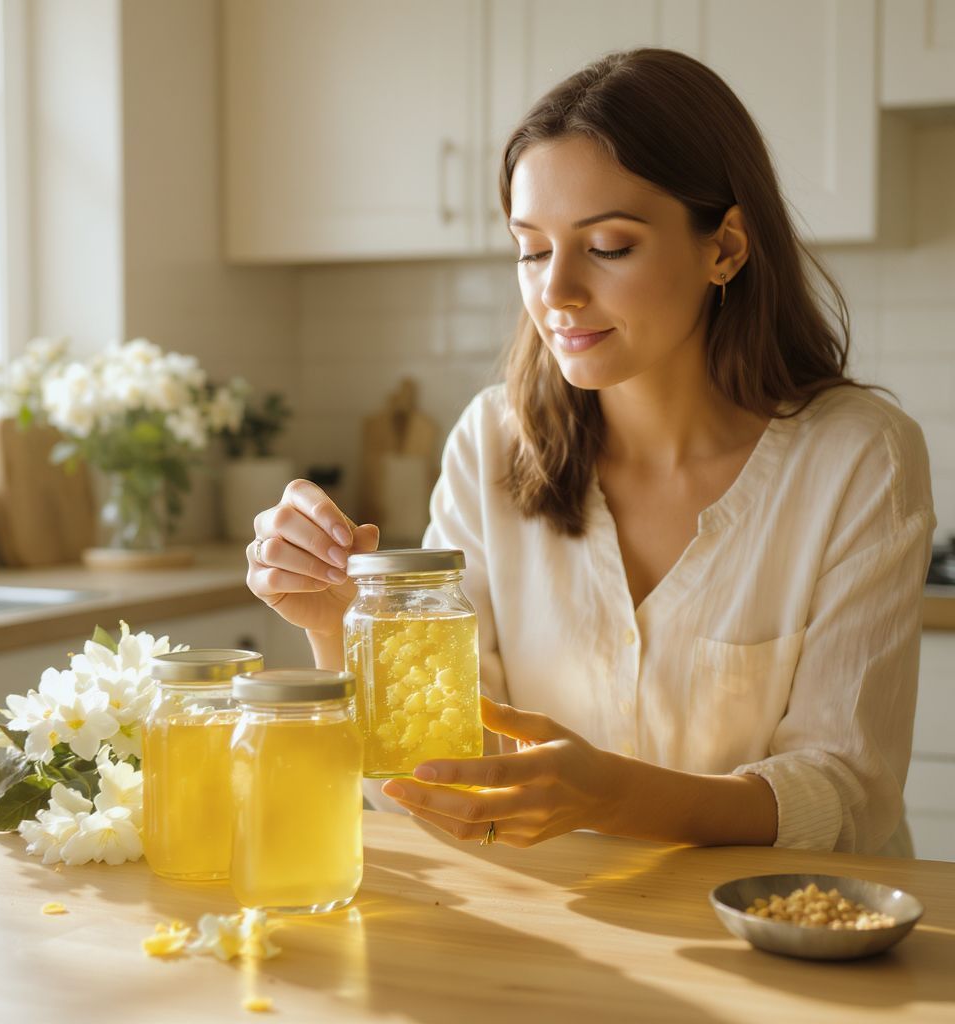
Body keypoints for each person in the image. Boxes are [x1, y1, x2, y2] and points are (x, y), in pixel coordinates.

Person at [246, 49, 935, 856]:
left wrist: (612, 796)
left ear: (727, 248)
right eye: (532, 249)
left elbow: (848, 795)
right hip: (564, 943)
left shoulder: (859, 458)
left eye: (608, 246)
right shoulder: (490, 442)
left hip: (785, 943)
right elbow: (432, 790)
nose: (558, 292)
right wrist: (347, 630)